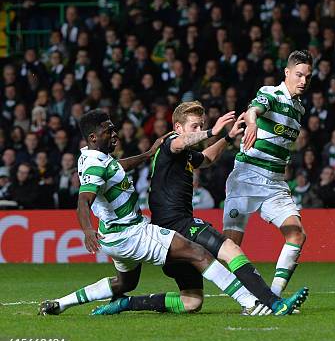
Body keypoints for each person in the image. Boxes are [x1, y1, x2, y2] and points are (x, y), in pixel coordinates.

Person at [38, 109, 308, 317]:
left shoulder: (91, 155)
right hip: (147, 229)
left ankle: (64, 304)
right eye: (194, 126)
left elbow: (206, 159)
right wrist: (211, 131)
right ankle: (258, 303)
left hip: (116, 237)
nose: (115, 134)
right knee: (213, 252)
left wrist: (225, 138)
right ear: (178, 128)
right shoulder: (172, 144)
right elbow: (83, 200)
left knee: (184, 300)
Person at [223, 50, 312, 297]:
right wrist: (251, 122)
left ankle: (271, 297)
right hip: (247, 177)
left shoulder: (299, 110)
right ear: (287, 73)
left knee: (296, 234)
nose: (303, 81)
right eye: (299, 75)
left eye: (307, 76)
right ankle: (246, 298)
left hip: (274, 182)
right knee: (230, 247)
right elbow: (254, 109)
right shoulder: (271, 93)